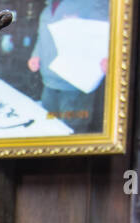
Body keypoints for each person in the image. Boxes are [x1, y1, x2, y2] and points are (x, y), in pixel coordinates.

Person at [28, 0, 111, 133]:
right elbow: (41, 37)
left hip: (75, 87)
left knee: (71, 135)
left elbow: (110, 33)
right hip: (49, 85)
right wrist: (35, 55)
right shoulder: (47, 9)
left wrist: (110, 58)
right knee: (48, 130)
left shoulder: (92, 3)